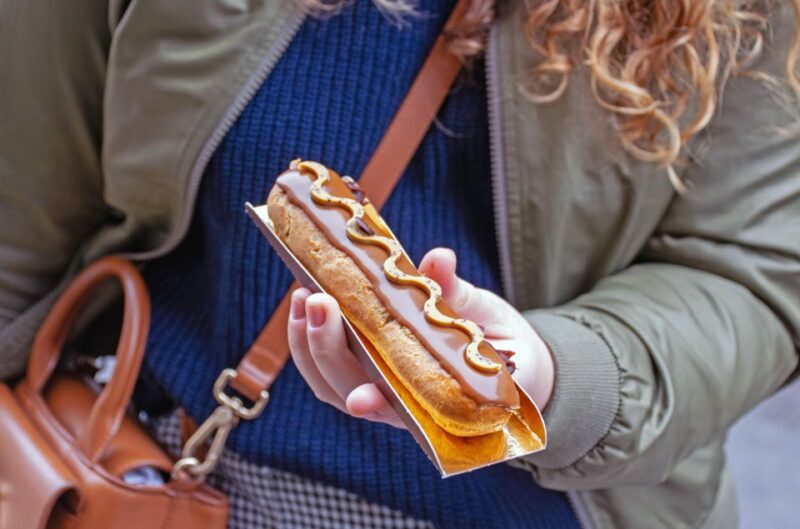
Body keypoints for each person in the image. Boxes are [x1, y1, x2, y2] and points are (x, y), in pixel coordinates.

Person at [1, 0, 798, 527]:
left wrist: (559, 375)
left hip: (545, 509)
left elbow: (751, 270)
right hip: (173, 488)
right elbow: (21, 215)